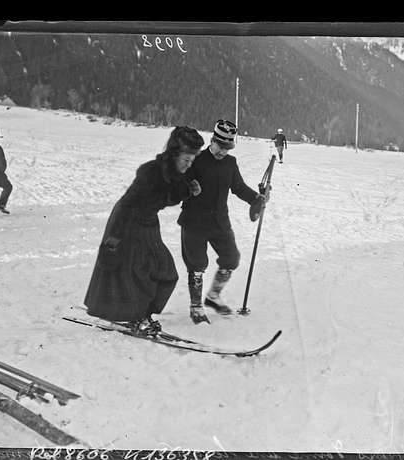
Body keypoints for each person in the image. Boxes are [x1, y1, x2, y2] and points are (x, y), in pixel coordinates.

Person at [84, 126, 204, 336]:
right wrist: (113, 240)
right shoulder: (151, 172)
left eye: (192, 161)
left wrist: (188, 189)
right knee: (137, 274)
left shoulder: (174, 172)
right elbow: (129, 203)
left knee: (166, 272)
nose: (189, 164)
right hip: (127, 223)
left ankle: (142, 314)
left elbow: (170, 194)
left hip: (148, 222)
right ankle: (137, 317)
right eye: (186, 159)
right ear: (175, 154)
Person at [179, 119, 268, 324]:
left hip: (219, 220)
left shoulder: (230, 163)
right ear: (212, 140)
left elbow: (238, 187)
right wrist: (188, 185)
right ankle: (196, 306)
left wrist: (255, 198)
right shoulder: (197, 159)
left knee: (231, 258)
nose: (222, 152)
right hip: (194, 220)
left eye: (227, 148)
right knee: (197, 264)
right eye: (220, 146)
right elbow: (180, 180)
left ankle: (213, 297)